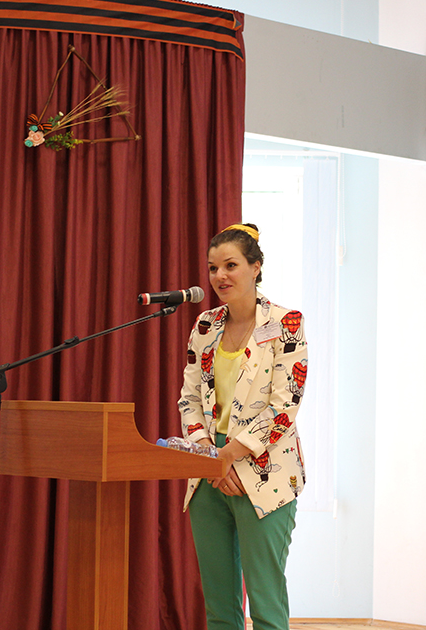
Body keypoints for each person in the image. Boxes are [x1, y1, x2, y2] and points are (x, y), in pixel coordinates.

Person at [175, 222, 309, 630]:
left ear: (256, 267)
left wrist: (228, 457)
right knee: (219, 606)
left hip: (264, 466)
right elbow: (189, 398)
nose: (220, 276)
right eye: (213, 267)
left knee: (266, 603)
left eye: (230, 265)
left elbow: (285, 405)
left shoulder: (286, 322)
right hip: (207, 470)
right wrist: (210, 458)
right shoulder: (205, 325)